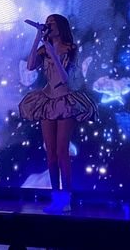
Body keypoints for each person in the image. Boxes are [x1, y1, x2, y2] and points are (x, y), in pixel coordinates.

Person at [19, 14, 98, 212]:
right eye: (47, 23)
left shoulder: (70, 48)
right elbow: (30, 66)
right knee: (51, 153)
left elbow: (63, 77)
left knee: (62, 152)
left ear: (60, 26)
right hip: (46, 100)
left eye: (51, 23)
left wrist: (52, 51)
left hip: (64, 101)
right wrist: (38, 37)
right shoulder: (43, 48)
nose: (48, 26)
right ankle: (56, 197)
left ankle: (67, 197)